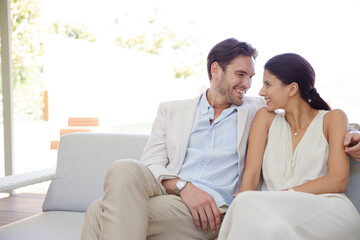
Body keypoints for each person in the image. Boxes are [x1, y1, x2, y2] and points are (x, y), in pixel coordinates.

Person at [81, 38, 265, 240]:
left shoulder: (258, 110)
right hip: (170, 195)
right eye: (240, 74)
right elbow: (151, 162)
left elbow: (295, 102)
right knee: (123, 167)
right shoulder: (172, 111)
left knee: (99, 212)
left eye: (250, 76)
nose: (247, 84)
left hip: (212, 212)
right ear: (215, 70)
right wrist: (184, 187)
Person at [218, 53, 360, 240]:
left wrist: (278, 197)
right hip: (274, 214)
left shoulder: (333, 119)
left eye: (268, 84)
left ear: (292, 89)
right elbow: (251, 176)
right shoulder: (265, 118)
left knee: (252, 209)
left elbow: (337, 181)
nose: (261, 92)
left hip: (326, 210)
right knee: (272, 229)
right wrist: (241, 210)